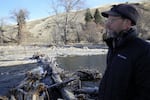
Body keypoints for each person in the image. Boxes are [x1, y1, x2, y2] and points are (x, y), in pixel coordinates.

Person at [98, 4, 150, 100]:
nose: (107, 25)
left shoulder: (144, 50)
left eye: (112, 20)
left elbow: (146, 93)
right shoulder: (113, 46)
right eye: (107, 20)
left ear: (127, 23)